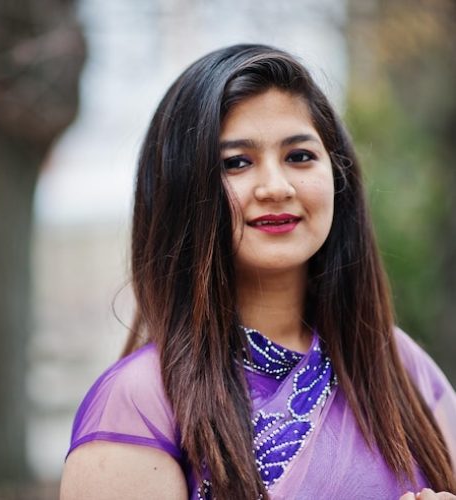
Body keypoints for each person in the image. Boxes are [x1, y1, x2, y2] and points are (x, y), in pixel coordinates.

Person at [60, 44, 456, 499]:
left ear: (337, 176)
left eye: (300, 156)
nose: (275, 186)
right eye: (237, 163)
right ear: (182, 189)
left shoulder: (395, 365)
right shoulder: (140, 402)